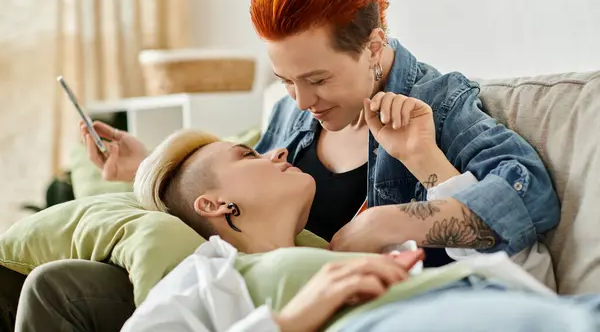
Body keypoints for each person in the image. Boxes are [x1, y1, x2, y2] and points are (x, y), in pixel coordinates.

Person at [6, 0, 562, 331]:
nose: (301, 101)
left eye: (317, 79)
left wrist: (391, 220)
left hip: (375, 308)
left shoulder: (437, 104)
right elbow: (232, 174)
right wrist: (150, 164)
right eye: (285, 81)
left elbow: (528, 192)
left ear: (372, 48)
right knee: (55, 284)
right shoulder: (296, 116)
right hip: (260, 296)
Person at [118, 129, 597, 332]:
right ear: (214, 205)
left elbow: (533, 279)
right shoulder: (206, 275)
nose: (278, 152)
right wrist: (288, 322)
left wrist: (423, 157)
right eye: (249, 154)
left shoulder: (365, 251)